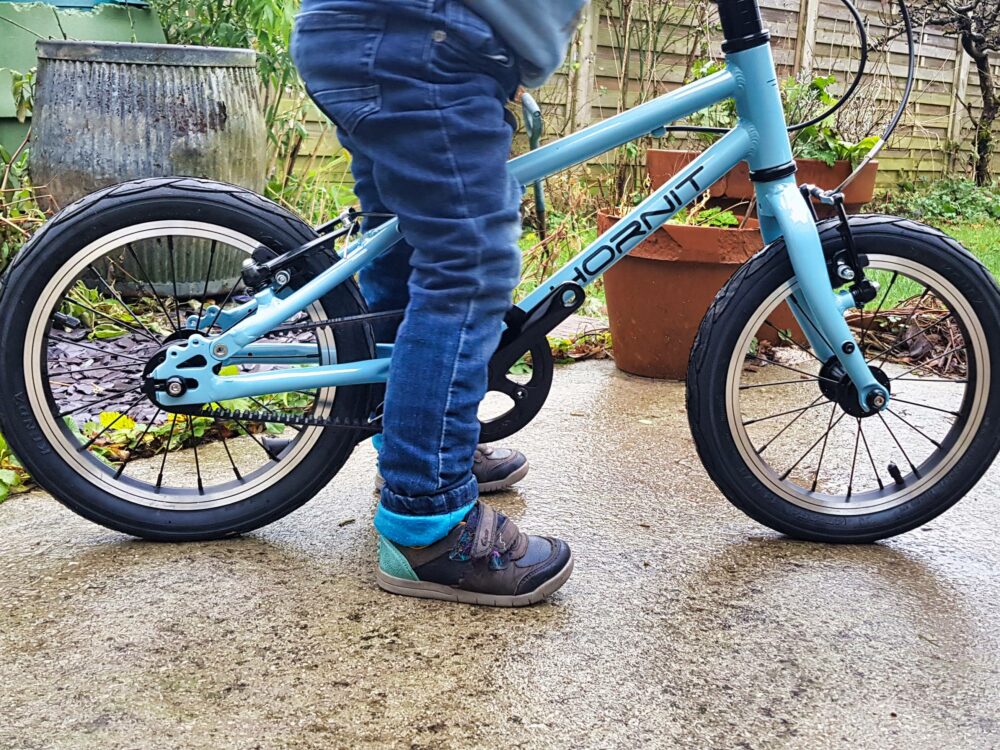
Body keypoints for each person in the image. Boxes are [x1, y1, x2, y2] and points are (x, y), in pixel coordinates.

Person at [291, 0, 586, 606]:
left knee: (401, 250)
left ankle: (417, 444)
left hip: (376, 33)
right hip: (422, 44)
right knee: (468, 267)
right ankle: (428, 524)